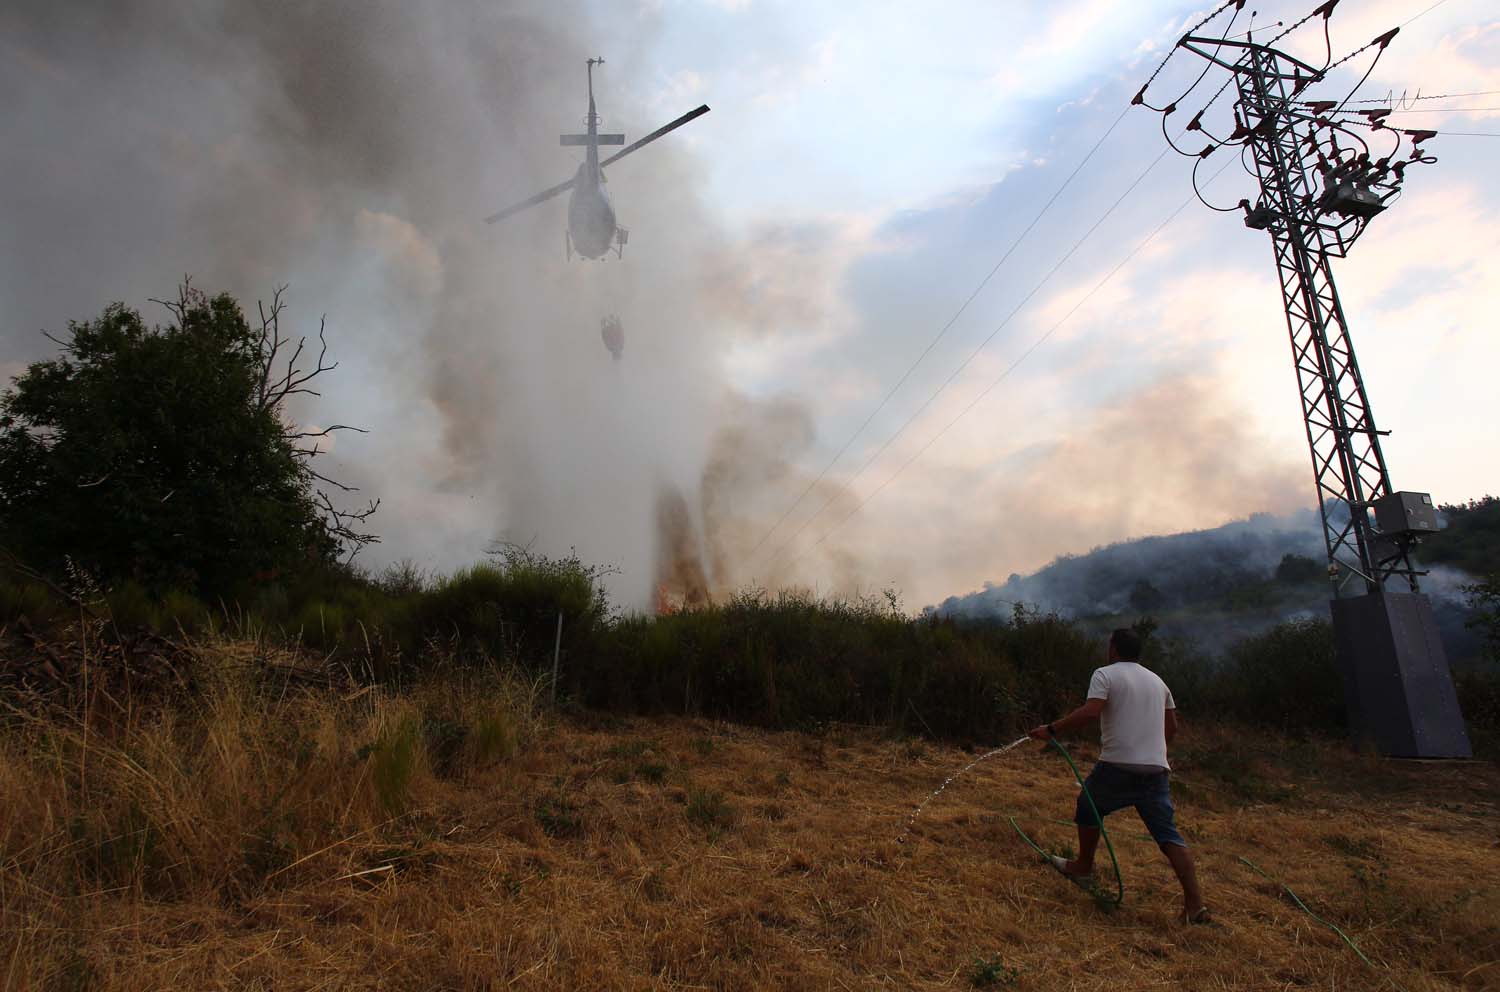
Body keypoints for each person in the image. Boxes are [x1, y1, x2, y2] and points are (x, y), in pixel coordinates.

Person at [1028, 627, 1208, 924]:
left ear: (1113, 649)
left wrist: (1051, 730)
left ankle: (1083, 867)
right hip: (1156, 771)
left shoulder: (1105, 674)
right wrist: (1152, 752)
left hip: (1117, 766)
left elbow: (1091, 712)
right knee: (1168, 836)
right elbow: (1172, 728)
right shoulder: (1158, 681)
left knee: (1088, 806)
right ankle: (1195, 906)